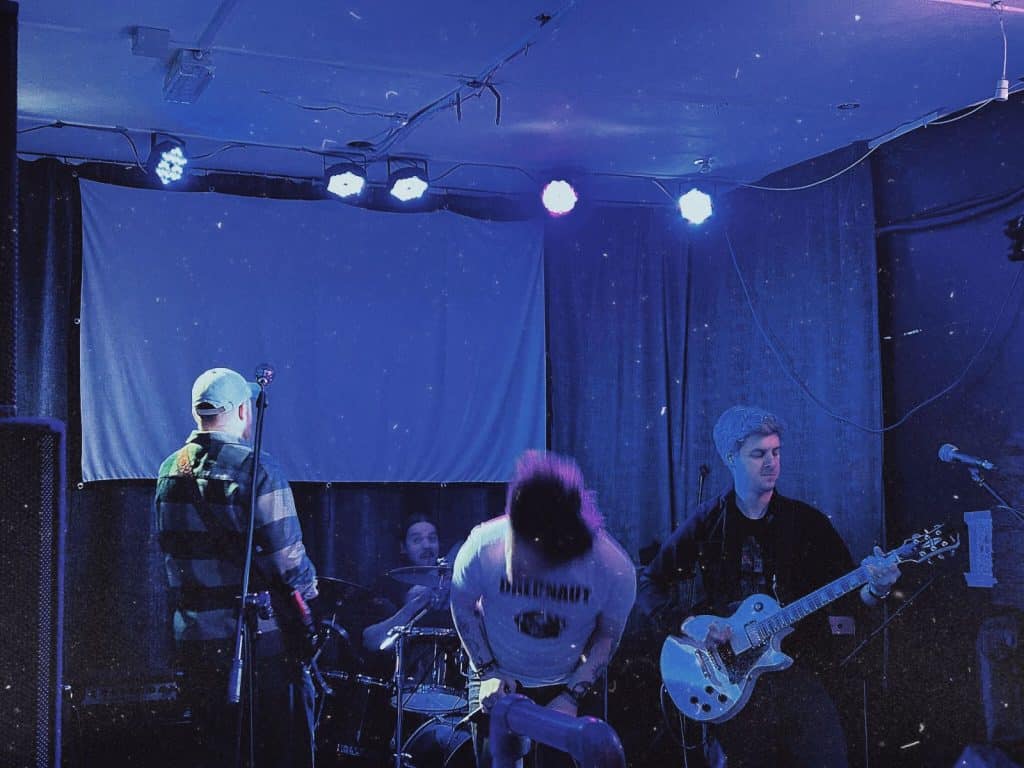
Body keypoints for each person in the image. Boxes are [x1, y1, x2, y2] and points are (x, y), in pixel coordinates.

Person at [638, 405, 900, 768]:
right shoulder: (708, 522)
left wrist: (878, 588)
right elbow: (649, 583)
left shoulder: (807, 523)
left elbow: (853, 597)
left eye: (776, 452)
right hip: (729, 678)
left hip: (796, 672)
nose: (771, 463)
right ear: (731, 458)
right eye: (758, 454)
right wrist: (689, 623)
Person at [155, 367, 319, 768]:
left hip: (193, 640)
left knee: (214, 750)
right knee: (272, 750)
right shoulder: (258, 468)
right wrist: (309, 589)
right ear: (243, 410)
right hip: (251, 644)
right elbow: (288, 562)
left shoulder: (169, 469)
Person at [450, 450, 637, 768]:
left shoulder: (613, 568)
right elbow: (462, 604)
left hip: (567, 682)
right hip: (495, 675)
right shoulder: (482, 545)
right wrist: (487, 672)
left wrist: (572, 695)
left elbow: (608, 635)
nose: (520, 570)